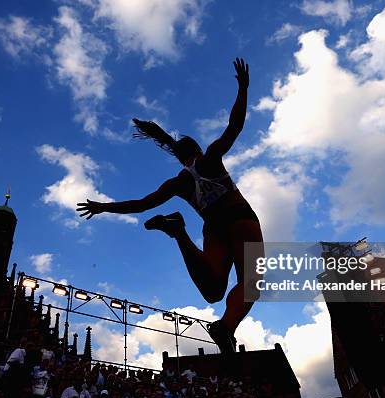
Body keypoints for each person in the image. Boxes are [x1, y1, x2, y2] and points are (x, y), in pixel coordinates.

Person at [76, 58, 263, 353]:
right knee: (252, 284)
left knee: (213, 290)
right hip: (239, 219)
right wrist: (243, 89)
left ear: (179, 158)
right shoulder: (211, 158)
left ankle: (179, 233)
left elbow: (140, 205)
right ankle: (226, 326)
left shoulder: (177, 183)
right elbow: (235, 125)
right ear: (197, 150)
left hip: (213, 227)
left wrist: (103, 207)